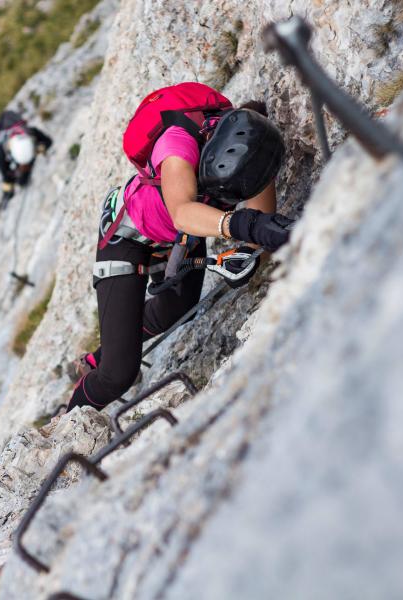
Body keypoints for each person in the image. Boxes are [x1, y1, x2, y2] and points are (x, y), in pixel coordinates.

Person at [67, 83, 294, 413]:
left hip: (177, 235)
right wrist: (247, 225)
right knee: (118, 374)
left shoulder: (254, 149)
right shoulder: (176, 147)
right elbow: (183, 211)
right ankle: (67, 421)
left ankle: (99, 354)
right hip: (127, 237)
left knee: (175, 310)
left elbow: (261, 225)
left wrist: (259, 244)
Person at [0, 110, 53, 212]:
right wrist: (8, 187)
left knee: (22, 180)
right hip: (19, 148)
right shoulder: (3, 148)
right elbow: (3, 169)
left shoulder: (32, 133)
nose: (24, 166)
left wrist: (40, 149)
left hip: (27, 149)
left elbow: (48, 141)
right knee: (19, 180)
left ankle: (21, 179)